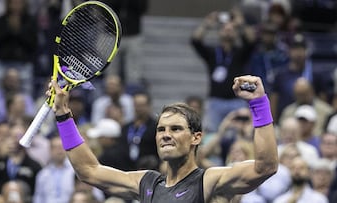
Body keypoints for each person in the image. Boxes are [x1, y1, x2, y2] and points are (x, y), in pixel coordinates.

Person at [47, 75, 278, 202]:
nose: (166, 135)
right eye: (161, 130)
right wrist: (63, 114)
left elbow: (265, 167)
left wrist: (258, 103)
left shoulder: (209, 181)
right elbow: (88, 170)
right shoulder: (147, 183)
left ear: (196, 137)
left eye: (176, 129)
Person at [191, 8, 256, 133]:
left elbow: (252, 41)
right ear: (219, 32)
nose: (228, 31)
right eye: (225, 29)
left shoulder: (240, 52)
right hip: (215, 101)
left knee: (237, 135)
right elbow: (195, 41)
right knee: (213, 134)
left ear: (236, 34)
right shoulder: (213, 53)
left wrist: (241, 24)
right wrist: (207, 25)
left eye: (231, 29)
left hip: (236, 100)